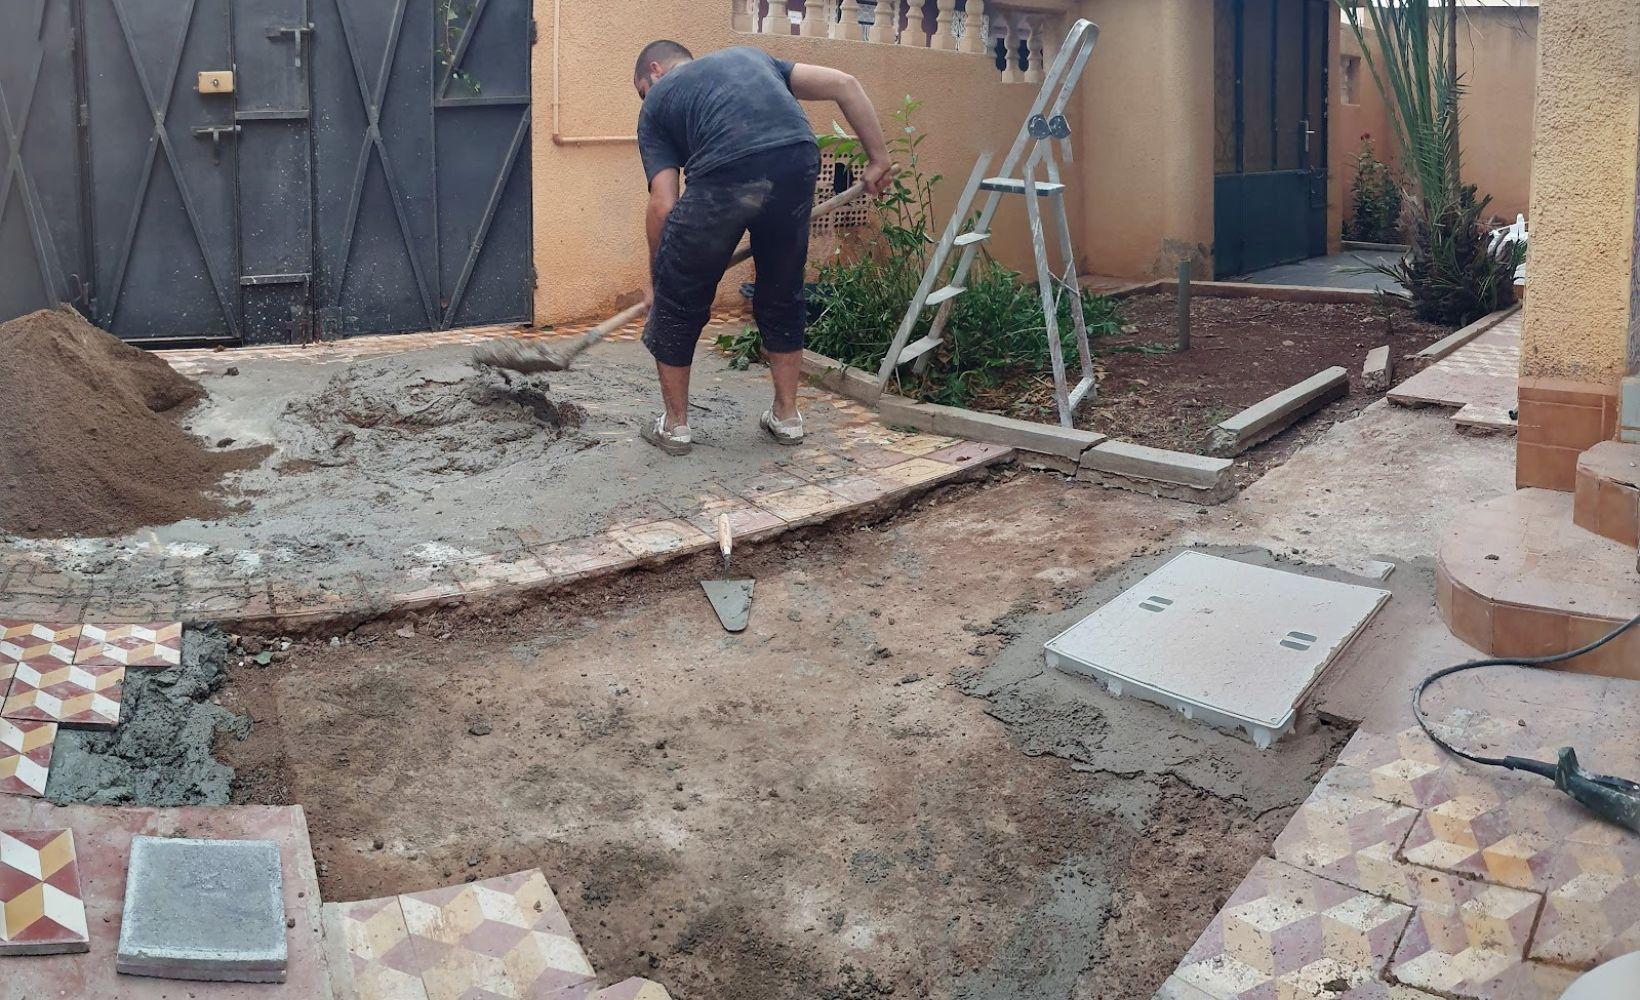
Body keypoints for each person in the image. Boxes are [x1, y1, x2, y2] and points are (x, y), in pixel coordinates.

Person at [632, 40, 891, 456]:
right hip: (797, 158)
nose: (646, 98)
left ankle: (675, 426)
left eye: (642, 89)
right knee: (781, 288)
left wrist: (659, 279)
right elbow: (845, 83)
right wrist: (878, 158)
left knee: (679, 299)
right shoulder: (752, 57)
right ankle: (787, 417)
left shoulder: (657, 100)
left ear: (655, 72)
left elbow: (664, 202)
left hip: (725, 171)